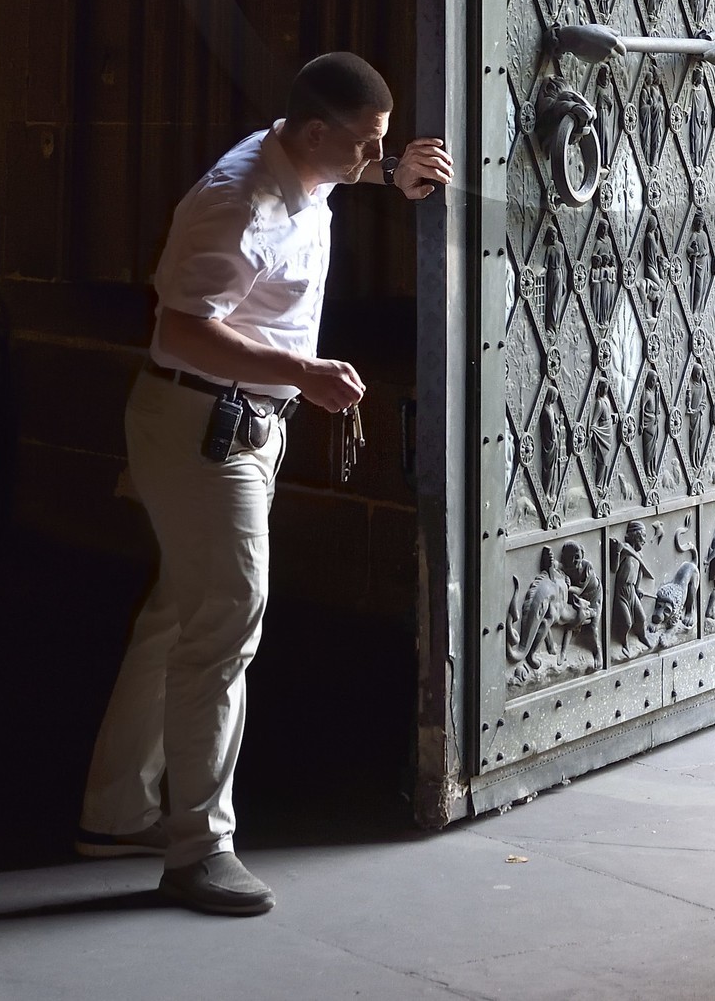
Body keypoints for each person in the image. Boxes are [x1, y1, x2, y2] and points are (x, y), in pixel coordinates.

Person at [74, 51, 452, 915]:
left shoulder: (309, 160)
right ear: (316, 132)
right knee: (225, 627)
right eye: (367, 144)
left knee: (181, 615)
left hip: (235, 423)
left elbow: (338, 174)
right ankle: (199, 848)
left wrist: (393, 171)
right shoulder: (235, 201)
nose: (374, 158)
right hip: (204, 424)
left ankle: (117, 809)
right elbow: (179, 331)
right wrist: (302, 371)